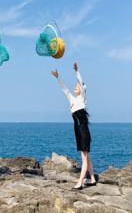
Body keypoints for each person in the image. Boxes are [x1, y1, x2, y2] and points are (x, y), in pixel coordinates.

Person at [51, 62, 96, 190]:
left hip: (84, 132)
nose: (75, 87)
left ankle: (80, 182)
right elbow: (64, 89)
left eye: (77, 87)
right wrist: (57, 77)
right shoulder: (72, 100)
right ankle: (92, 178)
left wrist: (77, 71)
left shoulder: (82, 100)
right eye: (75, 86)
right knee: (86, 156)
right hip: (77, 132)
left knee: (84, 158)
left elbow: (81, 83)